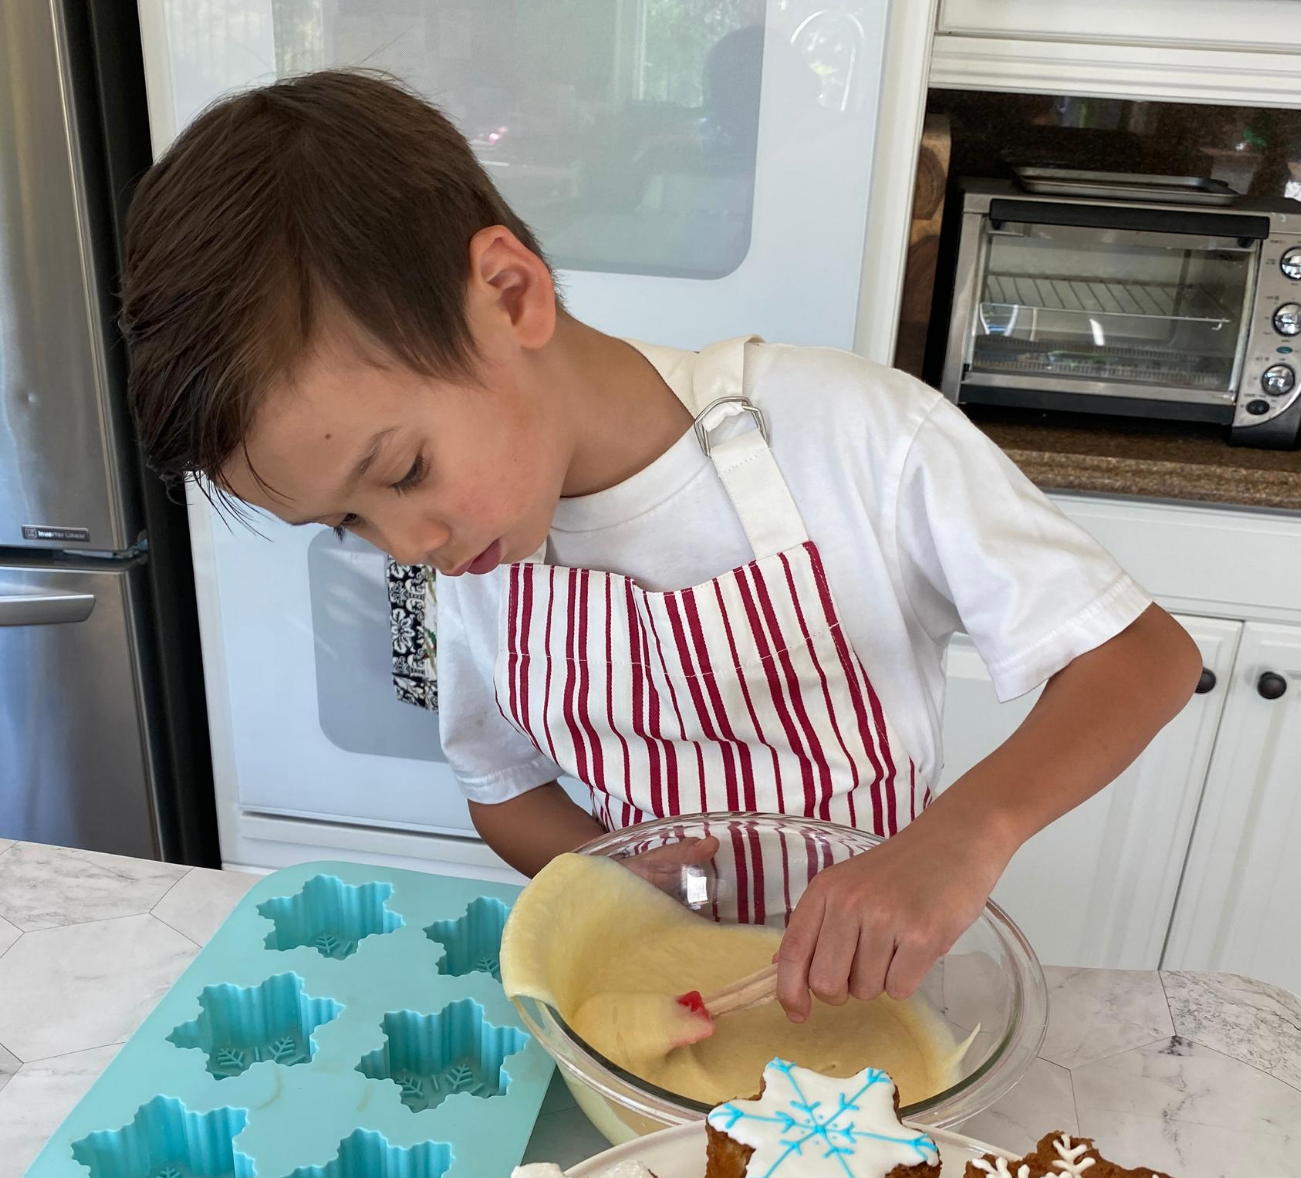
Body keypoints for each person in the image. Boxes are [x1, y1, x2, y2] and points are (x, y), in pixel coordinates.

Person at [120, 71, 1202, 1024]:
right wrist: (610, 874)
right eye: (350, 524)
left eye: (403, 472)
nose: (411, 546)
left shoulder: (850, 437)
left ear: (509, 294)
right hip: (651, 991)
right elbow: (498, 783)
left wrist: (964, 834)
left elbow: (1141, 659)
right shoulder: (472, 555)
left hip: (867, 994)